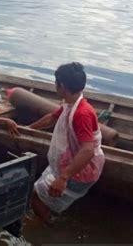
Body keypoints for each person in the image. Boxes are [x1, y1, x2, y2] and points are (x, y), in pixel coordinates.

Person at [29, 62, 105, 223]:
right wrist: (28, 129)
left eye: (56, 83)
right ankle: (52, 213)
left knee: (35, 197)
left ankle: (47, 227)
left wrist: (63, 178)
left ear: (62, 86)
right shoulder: (70, 103)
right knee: (40, 190)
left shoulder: (81, 113)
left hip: (82, 171)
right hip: (70, 162)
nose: (54, 85)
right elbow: (51, 118)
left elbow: (87, 150)